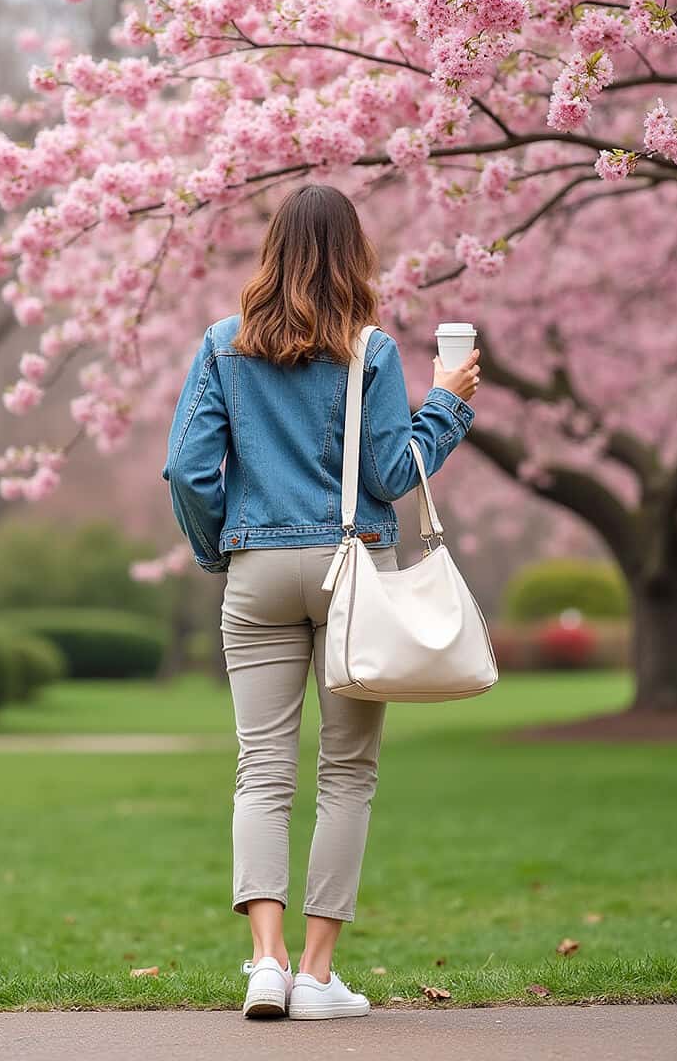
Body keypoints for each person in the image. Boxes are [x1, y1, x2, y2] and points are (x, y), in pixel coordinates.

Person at [163, 183, 479, 1021]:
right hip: (353, 574)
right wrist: (447, 401)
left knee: (261, 771)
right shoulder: (368, 351)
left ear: (271, 253)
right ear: (354, 256)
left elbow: (190, 473)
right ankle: (314, 973)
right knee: (346, 775)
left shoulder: (222, 346)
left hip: (257, 569)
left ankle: (262, 963)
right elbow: (386, 474)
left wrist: (216, 551)